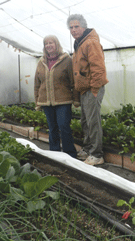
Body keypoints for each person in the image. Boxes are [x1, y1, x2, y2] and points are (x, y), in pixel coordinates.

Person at [67, 14, 109, 165]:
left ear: (83, 27)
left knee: (93, 122)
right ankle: (88, 148)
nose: (73, 30)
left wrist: (95, 89)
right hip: (85, 89)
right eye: (71, 27)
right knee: (85, 121)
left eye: (76, 26)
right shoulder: (80, 43)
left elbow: (98, 68)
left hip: (92, 88)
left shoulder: (90, 42)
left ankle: (97, 154)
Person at [34, 35, 80, 158]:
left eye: (51, 43)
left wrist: (76, 99)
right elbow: (37, 83)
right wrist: (37, 101)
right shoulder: (41, 62)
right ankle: (54, 153)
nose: (48, 45)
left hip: (63, 101)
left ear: (57, 44)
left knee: (64, 127)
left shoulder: (66, 60)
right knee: (52, 128)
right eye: (46, 43)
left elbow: (73, 81)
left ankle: (70, 154)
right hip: (46, 102)